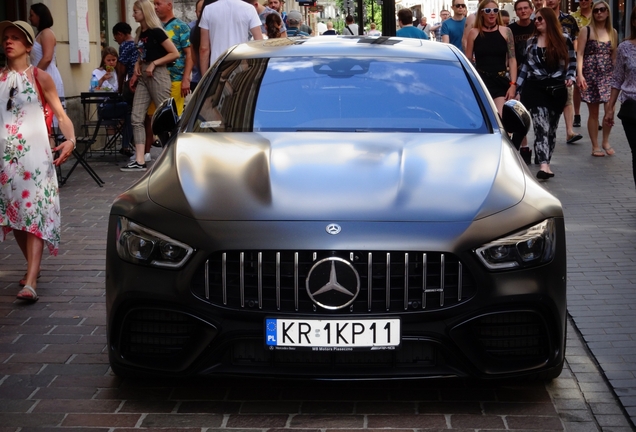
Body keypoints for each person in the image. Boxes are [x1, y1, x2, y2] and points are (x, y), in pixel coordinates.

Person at [0, 20, 76, 302]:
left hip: (35, 158)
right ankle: (33, 267)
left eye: (15, 38)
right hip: (6, 161)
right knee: (16, 215)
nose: (9, 41)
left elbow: (61, 114)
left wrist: (70, 140)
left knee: (34, 213)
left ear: (29, 45)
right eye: (6, 38)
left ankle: (31, 279)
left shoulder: (40, 77)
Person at [516, 7, 577, 180]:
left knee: (551, 130)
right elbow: (525, 68)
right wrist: (516, 88)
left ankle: (546, 163)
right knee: (540, 127)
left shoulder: (564, 40)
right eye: (536, 19)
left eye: (540, 19)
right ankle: (543, 165)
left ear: (549, 20)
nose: (537, 22)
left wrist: (571, 77)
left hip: (556, 89)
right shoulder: (531, 42)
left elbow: (571, 62)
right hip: (535, 88)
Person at [121, 0, 179, 172]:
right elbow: (142, 53)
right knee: (136, 117)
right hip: (144, 75)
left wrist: (154, 63)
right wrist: (137, 67)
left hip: (158, 74)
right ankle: (139, 160)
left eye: (136, 11)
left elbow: (174, 53)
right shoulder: (140, 31)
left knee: (165, 118)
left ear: (144, 12)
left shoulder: (156, 32)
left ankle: (173, 157)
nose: (133, 14)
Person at [576, 0, 617, 157]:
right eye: (596, 10)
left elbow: (614, 56)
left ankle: (605, 140)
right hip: (591, 74)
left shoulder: (612, 32)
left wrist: (617, 78)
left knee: (610, 110)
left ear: (607, 12)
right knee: (593, 113)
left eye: (602, 10)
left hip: (608, 75)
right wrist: (579, 74)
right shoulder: (586, 30)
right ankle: (595, 145)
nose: (599, 13)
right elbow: (580, 54)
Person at [465, 0, 517, 115]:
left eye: (495, 10)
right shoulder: (474, 33)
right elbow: (468, 60)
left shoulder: (506, 31)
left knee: (501, 118)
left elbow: (512, 59)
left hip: (500, 80)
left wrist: (513, 84)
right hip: (482, 81)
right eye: (488, 10)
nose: (492, 13)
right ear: (482, 13)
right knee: (484, 118)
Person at [604, 6, 636, 187]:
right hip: (632, 108)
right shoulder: (624, 47)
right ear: (633, 21)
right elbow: (617, 80)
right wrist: (609, 109)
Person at [545, 0, 581, 144]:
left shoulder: (569, 19)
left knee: (568, 98)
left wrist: (574, 64)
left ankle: (569, 131)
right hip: (545, 67)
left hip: (564, 67)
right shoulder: (540, 17)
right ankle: (547, 131)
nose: (550, 0)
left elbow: (575, 41)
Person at [199, 0, 263, 73]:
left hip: (217, 67)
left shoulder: (208, 9)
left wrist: (204, 78)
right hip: (240, 66)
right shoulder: (249, 8)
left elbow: (204, 49)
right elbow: (259, 43)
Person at [28, 3, 65, 129]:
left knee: (50, 113)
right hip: (41, 73)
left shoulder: (47, 33)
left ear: (39, 16)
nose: (29, 18)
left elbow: (47, 57)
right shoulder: (40, 33)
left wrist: (34, 74)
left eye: (32, 15)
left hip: (46, 74)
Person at [509, 0, 536, 163]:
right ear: (516, 12)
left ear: (531, 10)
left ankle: (540, 149)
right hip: (517, 74)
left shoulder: (537, 25)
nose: (523, 11)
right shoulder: (511, 29)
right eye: (519, 9)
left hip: (535, 75)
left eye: (526, 8)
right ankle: (524, 146)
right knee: (520, 112)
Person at [571, 0, 593, 128]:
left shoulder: (596, 14)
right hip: (577, 54)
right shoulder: (574, 17)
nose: (584, 1)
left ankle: (593, 116)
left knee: (593, 86)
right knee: (578, 85)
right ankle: (577, 115)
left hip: (592, 55)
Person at [188, 0, 204, 92]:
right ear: (195, 12)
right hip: (196, 77)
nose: (202, 14)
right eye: (200, 11)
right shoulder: (190, 28)